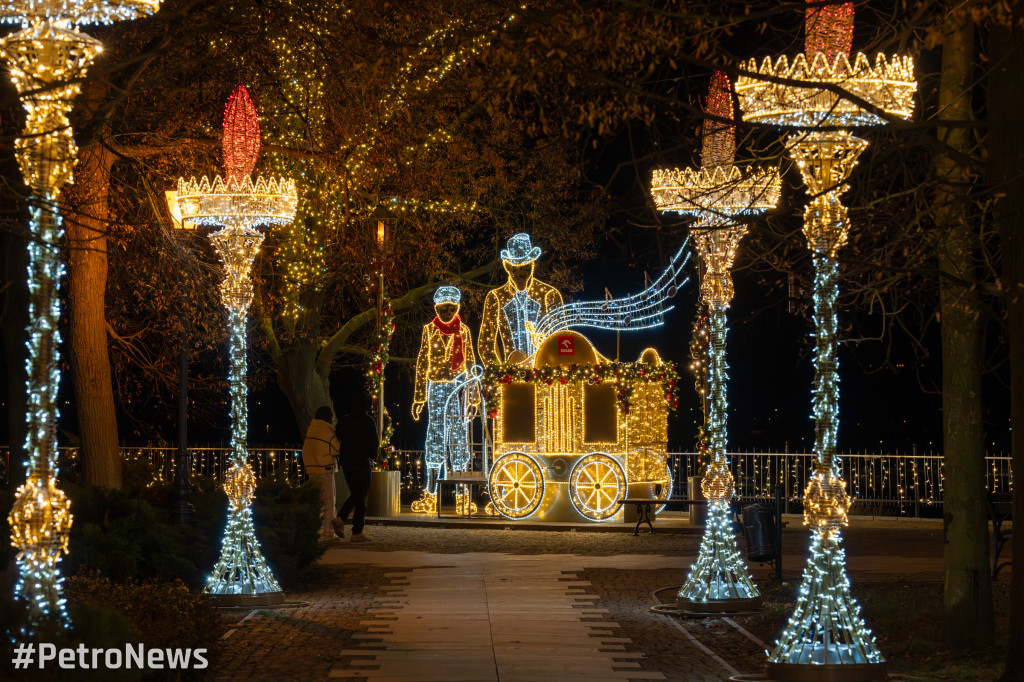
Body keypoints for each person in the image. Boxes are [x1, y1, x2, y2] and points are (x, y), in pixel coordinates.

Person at [412, 285, 477, 494]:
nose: (446, 313)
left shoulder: (463, 331)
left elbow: (471, 363)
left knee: (459, 433)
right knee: (435, 431)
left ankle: (460, 488)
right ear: (436, 308)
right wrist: (419, 397)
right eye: (442, 308)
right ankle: (431, 488)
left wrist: (473, 398)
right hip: (436, 386)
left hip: (458, 386)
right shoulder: (429, 330)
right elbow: (422, 362)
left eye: (450, 308)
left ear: (456, 308)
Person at [479, 233, 563, 367]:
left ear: (532, 265)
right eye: (515, 268)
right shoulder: (496, 297)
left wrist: (554, 370)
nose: (520, 273)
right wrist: (499, 372)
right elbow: (486, 343)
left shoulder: (549, 294)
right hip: (511, 377)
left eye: (525, 266)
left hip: (544, 373)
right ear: (507, 267)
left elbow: (562, 338)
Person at [332, 389, 378, 542]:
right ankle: (356, 532)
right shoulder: (368, 421)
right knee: (361, 496)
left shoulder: (345, 420)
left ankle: (341, 518)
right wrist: (372, 456)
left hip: (346, 462)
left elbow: (337, 437)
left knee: (356, 493)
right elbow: (374, 443)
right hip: (362, 462)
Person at [301, 405, 340, 539]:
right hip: (325, 469)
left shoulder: (312, 429)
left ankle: (314, 531)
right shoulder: (327, 430)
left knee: (316, 501)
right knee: (328, 501)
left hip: (312, 470)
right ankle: (328, 532)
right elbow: (337, 449)